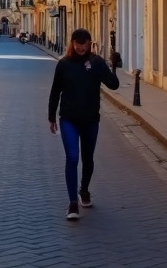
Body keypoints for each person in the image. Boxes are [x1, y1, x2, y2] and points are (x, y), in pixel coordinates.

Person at [47, 27, 119, 221]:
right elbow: (55, 91)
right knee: (72, 157)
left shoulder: (96, 62)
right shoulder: (64, 64)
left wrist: (108, 65)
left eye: (85, 44)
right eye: (78, 44)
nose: (81, 47)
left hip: (90, 119)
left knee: (88, 158)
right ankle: (72, 203)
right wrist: (51, 116)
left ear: (89, 43)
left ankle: (84, 190)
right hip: (69, 118)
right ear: (73, 44)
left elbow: (114, 84)